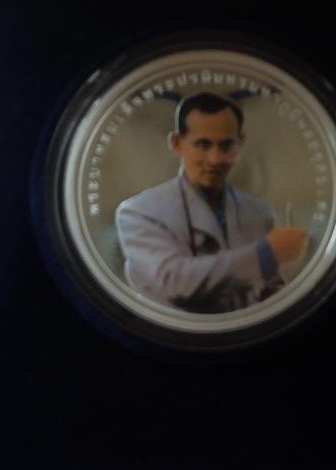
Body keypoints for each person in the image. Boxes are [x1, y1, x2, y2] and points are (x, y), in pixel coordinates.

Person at [115, 92, 307, 313]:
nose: (215, 159)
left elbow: (272, 292)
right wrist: (265, 254)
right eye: (203, 145)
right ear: (176, 143)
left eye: (226, 146)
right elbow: (175, 282)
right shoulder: (138, 213)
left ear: (240, 143)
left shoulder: (260, 212)